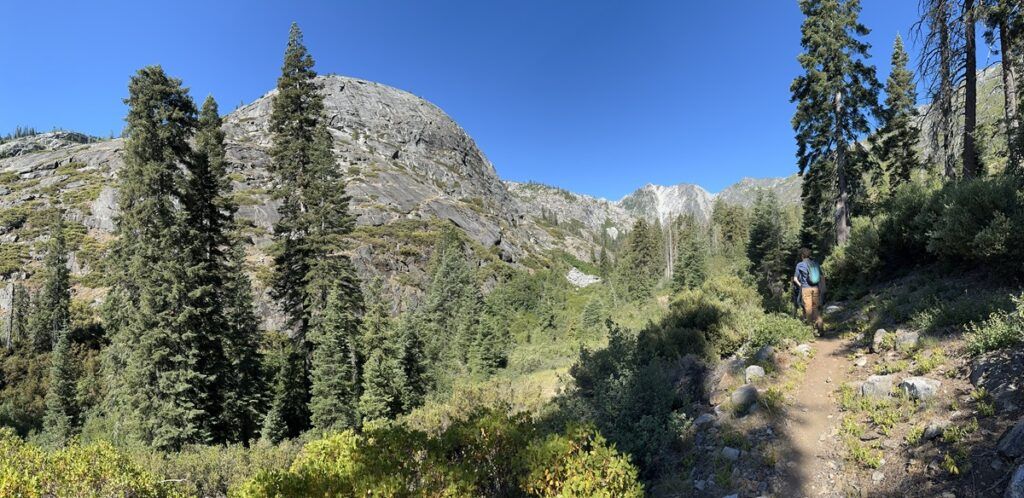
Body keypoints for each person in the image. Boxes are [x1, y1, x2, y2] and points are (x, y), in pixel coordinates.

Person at [792, 247, 824, 331]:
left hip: (806, 288)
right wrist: (821, 288)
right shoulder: (815, 263)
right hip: (816, 288)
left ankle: (810, 329)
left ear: (802, 255)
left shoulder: (800, 265)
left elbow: (795, 279)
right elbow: (821, 276)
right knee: (815, 308)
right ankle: (820, 326)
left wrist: (800, 285)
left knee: (808, 309)